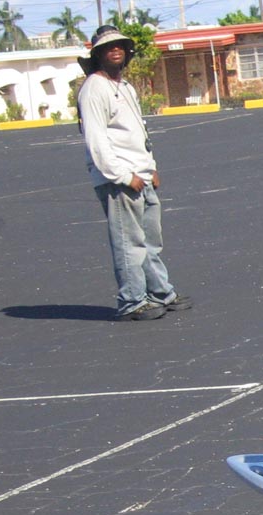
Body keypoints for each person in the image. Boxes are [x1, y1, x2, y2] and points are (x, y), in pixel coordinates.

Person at [77, 25, 192, 321]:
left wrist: (150, 168)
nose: (115, 50)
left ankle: (160, 293)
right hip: (119, 179)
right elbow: (97, 140)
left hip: (141, 174)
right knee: (129, 243)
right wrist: (124, 176)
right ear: (97, 54)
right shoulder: (94, 88)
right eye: (108, 47)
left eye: (120, 45)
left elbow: (136, 132)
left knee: (151, 241)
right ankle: (132, 301)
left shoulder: (124, 86)